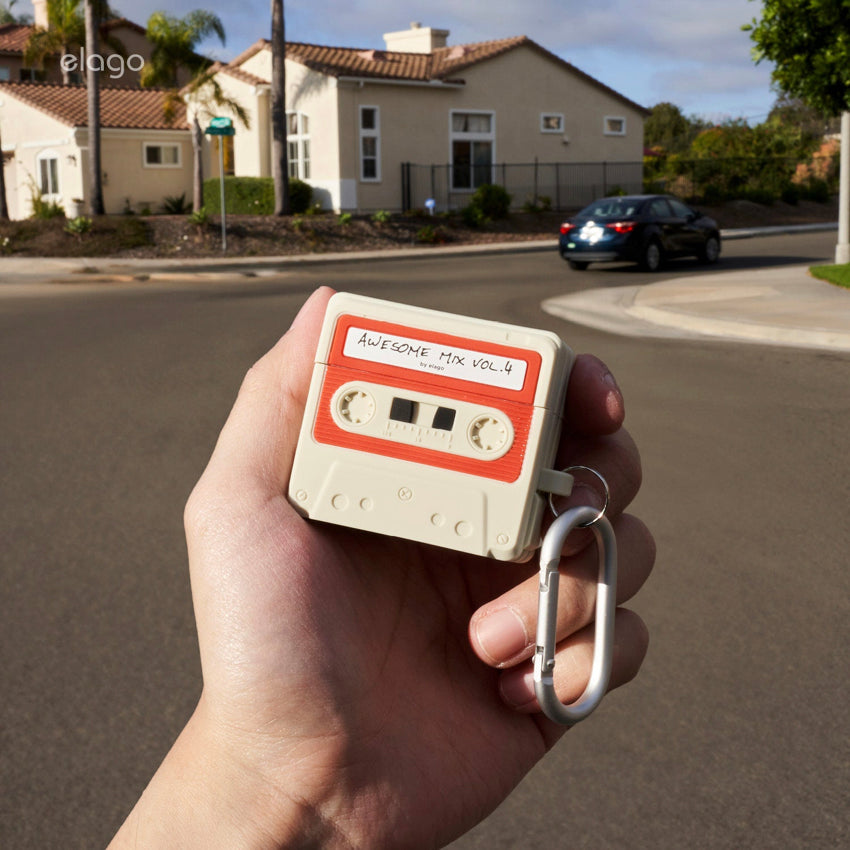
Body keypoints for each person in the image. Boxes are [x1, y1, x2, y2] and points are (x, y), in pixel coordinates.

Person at [108, 287, 654, 849]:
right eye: (356, 406)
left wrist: (288, 798)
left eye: (486, 433)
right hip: (364, 512)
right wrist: (274, 781)